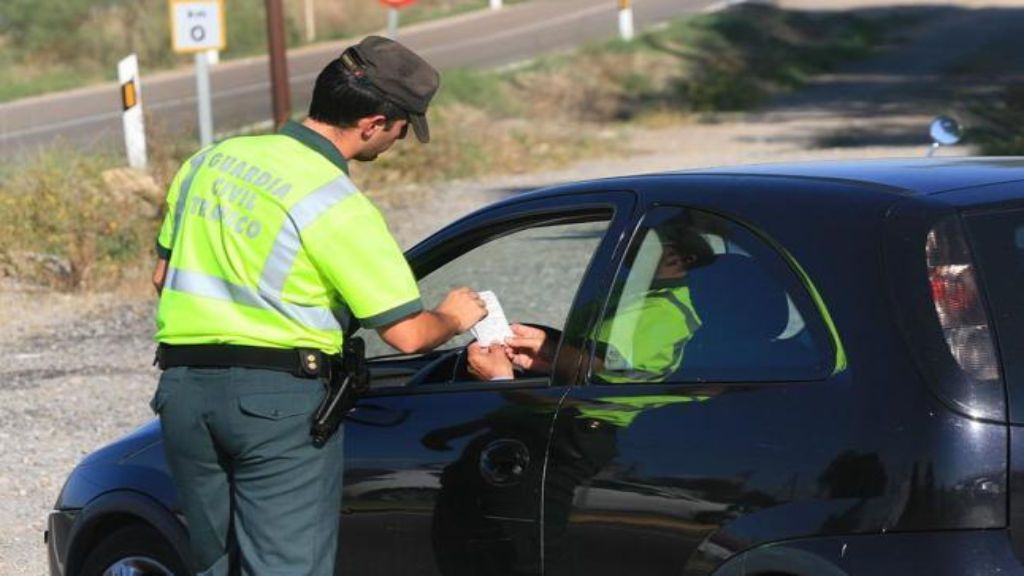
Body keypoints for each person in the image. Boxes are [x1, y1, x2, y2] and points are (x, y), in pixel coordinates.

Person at [149, 36, 487, 576]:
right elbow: (406, 335)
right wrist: (454, 316)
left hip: (184, 392)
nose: (400, 139)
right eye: (404, 128)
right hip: (276, 402)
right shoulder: (335, 201)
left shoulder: (209, 161)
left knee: (212, 563)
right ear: (373, 123)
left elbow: (163, 275)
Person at [468, 223, 715, 383]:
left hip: (597, 423)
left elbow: (594, 364)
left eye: (655, 244)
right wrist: (545, 350)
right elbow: (588, 357)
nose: (639, 248)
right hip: (584, 404)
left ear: (683, 259)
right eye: (640, 242)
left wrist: (501, 379)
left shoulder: (666, 311)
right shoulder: (630, 290)